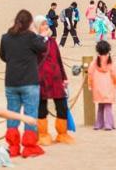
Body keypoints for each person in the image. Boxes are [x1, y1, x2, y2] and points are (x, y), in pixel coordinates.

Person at [0, 9, 47, 158]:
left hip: (12, 81)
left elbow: (3, 56)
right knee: (30, 113)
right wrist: (39, 35)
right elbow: (43, 48)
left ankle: (13, 147)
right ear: (29, 23)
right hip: (29, 81)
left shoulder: (6, 37)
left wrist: (15, 61)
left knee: (12, 114)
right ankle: (29, 146)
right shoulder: (30, 37)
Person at [33, 16, 74, 146]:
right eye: (42, 25)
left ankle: (62, 133)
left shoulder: (52, 41)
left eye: (46, 24)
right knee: (41, 107)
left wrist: (64, 77)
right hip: (41, 78)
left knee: (61, 105)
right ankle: (43, 134)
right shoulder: (34, 42)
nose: (45, 27)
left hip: (56, 77)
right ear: (37, 27)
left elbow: (58, 59)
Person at [88, 40, 116, 130]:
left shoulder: (94, 63)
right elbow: (115, 74)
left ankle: (98, 124)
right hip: (109, 87)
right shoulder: (110, 63)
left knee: (101, 106)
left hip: (97, 87)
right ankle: (108, 124)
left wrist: (90, 85)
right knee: (108, 106)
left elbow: (90, 74)